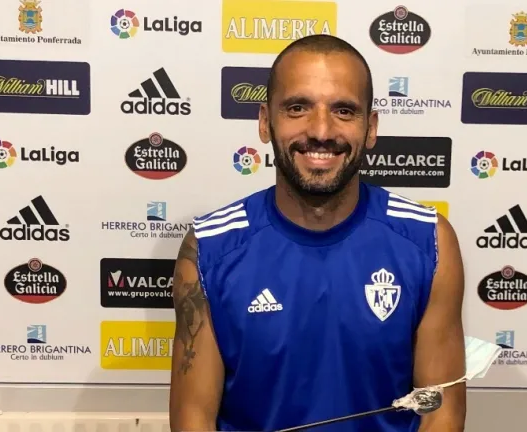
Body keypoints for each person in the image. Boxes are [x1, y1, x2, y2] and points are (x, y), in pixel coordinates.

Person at [169, 34, 466, 432]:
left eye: (344, 110)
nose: (321, 130)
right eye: (297, 108)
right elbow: (194, 418)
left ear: (371, 127)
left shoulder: (429, 242)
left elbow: (441, 412)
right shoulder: (208, 250)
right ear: (265, 121)